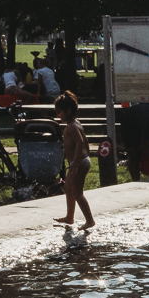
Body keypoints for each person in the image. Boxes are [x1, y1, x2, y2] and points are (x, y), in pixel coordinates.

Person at [53, 92, 94, 231]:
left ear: (68, 111)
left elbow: (80, 142)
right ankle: (69, 217)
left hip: (79, 163)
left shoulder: (72, 126)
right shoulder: (74, 123)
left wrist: (76, 161)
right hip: (78, 161)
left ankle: (90, 220)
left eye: (59, 112)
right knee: (68, 189)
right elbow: (85, 141)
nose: (58, 115)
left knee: (77, 192)